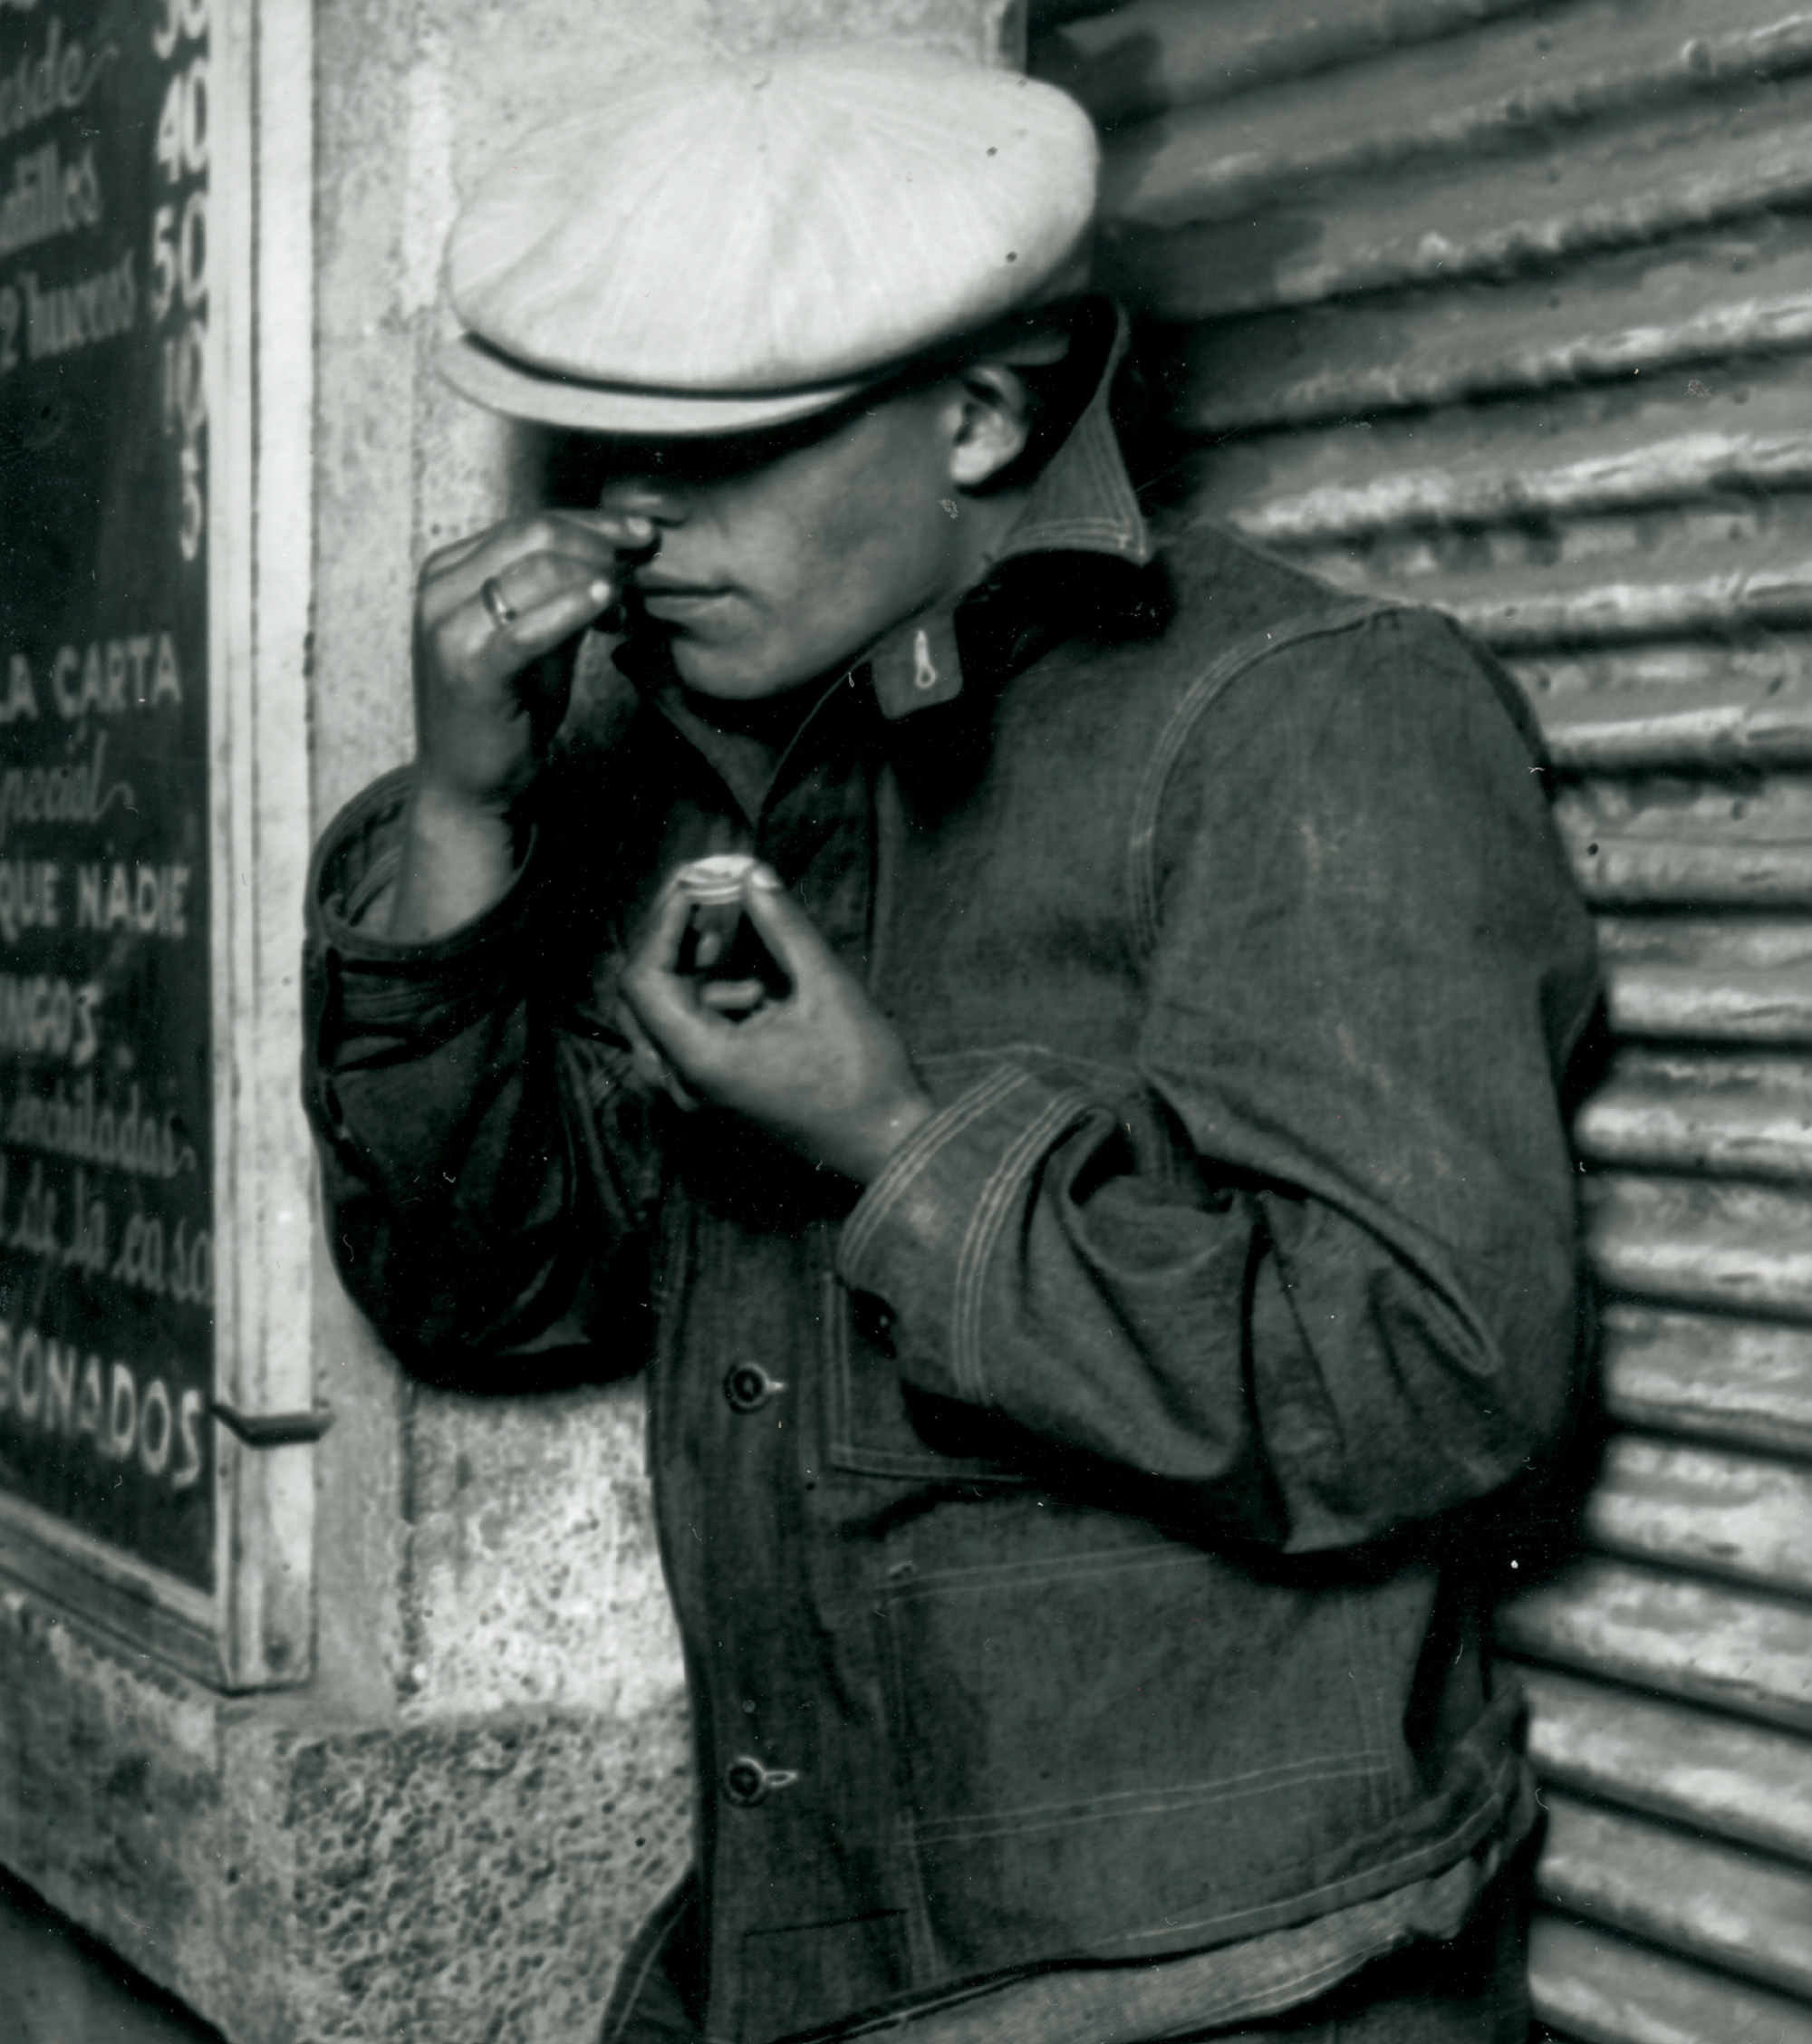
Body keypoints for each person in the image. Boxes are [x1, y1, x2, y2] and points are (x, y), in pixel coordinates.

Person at [302, 41, 1597, 2044]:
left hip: (1231, 1995)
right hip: (806, 1972)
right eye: (587, 462)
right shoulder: (693, 749)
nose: (625, 538)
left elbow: (1432, 1382)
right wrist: (467, 818)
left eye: (714, 456)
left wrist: (890, 1141)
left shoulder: (1305, 717)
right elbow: (475, 1291)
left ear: (983, 416)